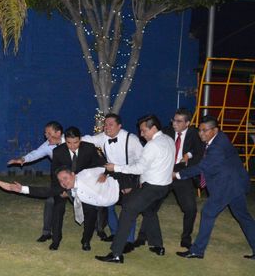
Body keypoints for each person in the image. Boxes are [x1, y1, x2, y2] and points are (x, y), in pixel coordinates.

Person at [96, 114, 175, 263]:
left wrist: (115, 167)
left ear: (154, 128)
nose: (142, 134)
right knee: (149, 211)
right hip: (165, 187)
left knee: (127, 209)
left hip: (152, 187)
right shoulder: (168, 139)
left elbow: (139, 168)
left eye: (144, 130)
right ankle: (158, 246)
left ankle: (116, 254)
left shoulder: (153, 145)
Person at [176, 116, 255, 259]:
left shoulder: (218, 146)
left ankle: (197, 250)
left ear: (215, 130)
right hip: (235, 184)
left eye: (205, 131)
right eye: (200, 130)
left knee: (208, 212)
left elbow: (202, 167)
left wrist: (178, 175)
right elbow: (200, 150)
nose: (201, 133)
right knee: (243, 217)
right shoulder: (216, 139)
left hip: (227, 186)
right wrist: (189, 154)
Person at [135, 108, 204, 249]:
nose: (174, 124)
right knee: (151, 206)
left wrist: (188, 156)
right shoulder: (166, 132)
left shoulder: (195, 134)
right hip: (164, 174)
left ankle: (186, 238)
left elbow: (199, 154)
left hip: (182, 173)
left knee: (190, 208)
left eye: (179, 121)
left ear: (188, 123)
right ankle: (142, 237)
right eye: (173, 120)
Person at [13, 166, 122, 252]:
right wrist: (22, 189)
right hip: (96, 202)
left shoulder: (86, 173)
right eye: (61, 181)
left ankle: (89, 240)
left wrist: (105, 174)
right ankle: (85, 241)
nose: (64, 182)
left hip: (118, 192)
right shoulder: (67, 187)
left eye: (65, 178)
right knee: (90, 216)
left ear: (73, 174)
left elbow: (109, 167)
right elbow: (46, 191)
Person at [82, 113, 143, 246]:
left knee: (128, 208)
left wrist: (135, 182)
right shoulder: (103, 137)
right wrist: (63, 139)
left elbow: (142, 162)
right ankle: (115, 232)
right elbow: (87, 139)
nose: (106, 127)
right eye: (105, 124)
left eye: (110, 124)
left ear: (119, 126)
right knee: (108, 205)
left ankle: (129, 240)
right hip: (112, 174)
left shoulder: (131, 139)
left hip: (129, 174)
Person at [47, 126, 105, 250]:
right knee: (57, 207)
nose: (72, 146)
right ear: (65, 140)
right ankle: (56, 240)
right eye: (69, 143)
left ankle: (86, 240)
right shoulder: (58, 152)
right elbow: (54, 174)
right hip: (65, 186)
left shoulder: (89, 148)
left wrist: (102, 174)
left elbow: (101, 164)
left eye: (76, 142)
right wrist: (62, 190)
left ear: (80, 140)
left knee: (91, 209)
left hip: (84, 186)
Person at [7, 121, 64, 243]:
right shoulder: (47, 145)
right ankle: (47, 232)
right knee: (50, 202)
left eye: (49, 133)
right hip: (58, 181)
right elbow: (36, 153)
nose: (46, 136)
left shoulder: (71, 141)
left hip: (77, 180)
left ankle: (99, 230)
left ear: (58, 133)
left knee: (91, 205)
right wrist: (22, 159)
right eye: (45, 133)